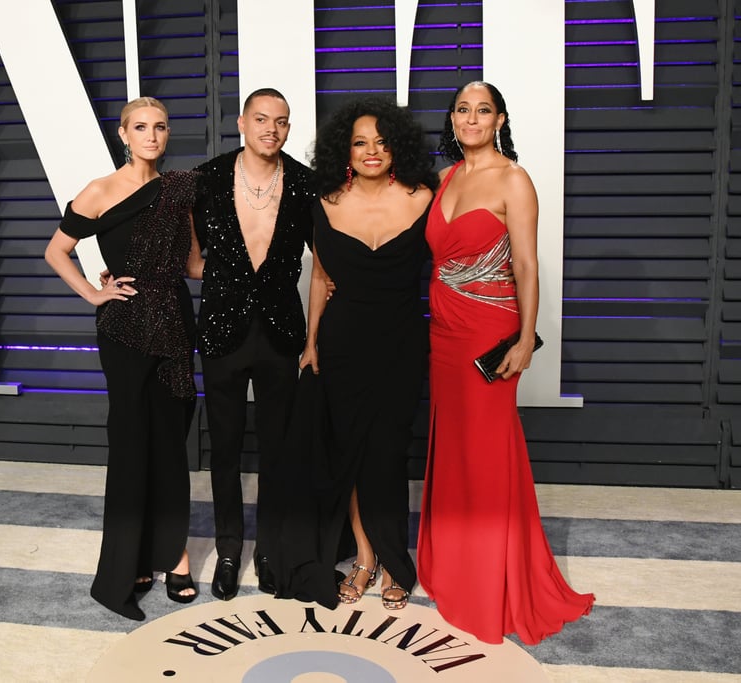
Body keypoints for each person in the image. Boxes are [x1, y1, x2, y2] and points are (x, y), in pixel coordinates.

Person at [416, 81, 594, 644]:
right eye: (463, 110)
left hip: (489, 334)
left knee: (488, 452)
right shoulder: (445, 179)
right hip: (442, 334)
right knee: (454, 448)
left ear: (499, 119)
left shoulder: (514, 179)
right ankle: (455, 563)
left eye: (482, 110)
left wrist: (524, 338)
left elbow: (526, 264)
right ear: (452, 119)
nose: (472, 118)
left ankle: (492, 578)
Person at [272, 96, 437, 610]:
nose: (371, 151)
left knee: (387, 455)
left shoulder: (424, 197)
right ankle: (365, 558)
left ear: (397, 147)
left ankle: (394, 560)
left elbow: (449, 264)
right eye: (360, 142)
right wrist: (311, 342)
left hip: (401, 343)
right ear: (345, 149)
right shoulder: (325, 200)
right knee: (347, 454)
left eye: (381, 142)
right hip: (341, 344)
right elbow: (321, 276)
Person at [44, 96, 200, 620]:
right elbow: (55, 250)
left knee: (171, 443)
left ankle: (174, 555)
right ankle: (130, 560)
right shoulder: (99, 191)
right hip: (126, 328)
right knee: (132, 446)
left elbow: (195, 264)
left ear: (167, 133)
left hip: (175, 323)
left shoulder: (181, 189)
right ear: (123, 134)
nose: (151, 136)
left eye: (159, 126)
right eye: (140, 127)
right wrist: (93, 292)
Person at [193, 88, 317, 600]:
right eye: (262, 119)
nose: (272, 128)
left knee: (278, 449)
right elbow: (188, 255)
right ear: (242, 122)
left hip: (282, 332)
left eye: (282, 121)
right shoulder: (206, 179)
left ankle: (268, 551)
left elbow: (327, 261)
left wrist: (315, 337)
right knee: (223, 449)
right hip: (222, 328)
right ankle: (228, 551)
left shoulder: (307, 184)